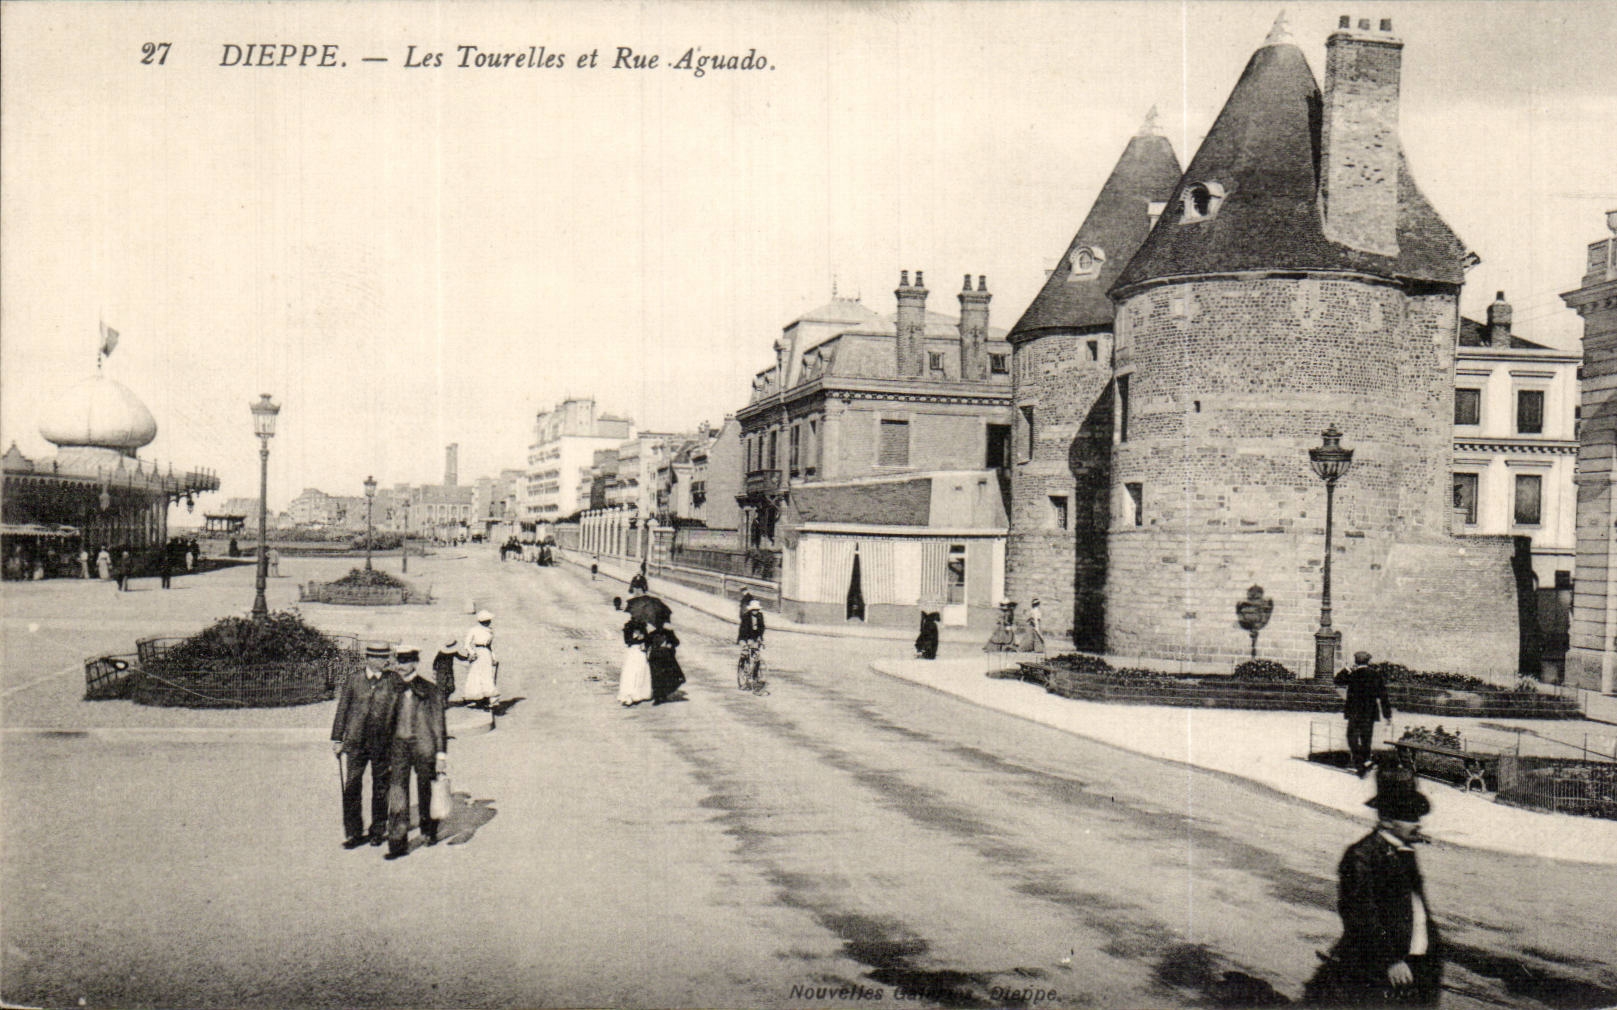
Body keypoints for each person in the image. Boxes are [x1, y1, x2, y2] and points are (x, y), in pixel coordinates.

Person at [1305, 766, 1442, 1007]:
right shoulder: (1362, 855)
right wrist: (1390, 960)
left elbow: (1416, 908)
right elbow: (1360, 914)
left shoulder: (1405, 852)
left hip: (1415, 966)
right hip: (1380, 969)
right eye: (1409, 817)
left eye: (1417, 816)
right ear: (1387, 820)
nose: (1417, 824)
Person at [331, 643, 401, 849]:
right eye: (379, 658)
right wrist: (337, 739)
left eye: (386, 658)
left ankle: (377, 830)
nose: (384, 662)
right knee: (352, 786)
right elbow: (342, 709)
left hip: (383, 744)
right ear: (369, 658)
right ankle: (353, 832)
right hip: (355, 742)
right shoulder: (354, 680)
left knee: (381, 788)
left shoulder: (393, 680)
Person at [384, 646, 448, 859]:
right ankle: (397, 843)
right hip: (399, 747)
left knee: (425, 790)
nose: (400, 666)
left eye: (405, 662)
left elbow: (439, 723)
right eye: (398, 662)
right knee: (397, 793)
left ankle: (429, 831)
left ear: (415, 663)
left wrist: (440, 755)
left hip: (424, 747)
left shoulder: (430, 689)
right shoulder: (391, 687)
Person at [1336, 651, 1393, 777]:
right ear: (1368, 661)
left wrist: (1346, 669)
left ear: (1356, 661)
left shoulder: (1353, 675)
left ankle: (1359, 762)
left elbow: (1337, 680)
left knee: (1352, 738)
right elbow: (1383, 696)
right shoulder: (1376, 675)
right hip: (1369, 713)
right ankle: (1366, 760)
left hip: (1354, 712)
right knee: (1366, 738)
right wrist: (1387, 715)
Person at [461, 611, 499, 712]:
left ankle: (488, 698)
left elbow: (491, 646)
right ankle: (474, 697)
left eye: (489, 620)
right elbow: (467, 644)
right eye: (486, 621)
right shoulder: (473, 630)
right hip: (478, 653)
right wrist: (472, 653)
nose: (488, 622)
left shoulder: (490, 631)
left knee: (487, 675)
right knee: (475, 675)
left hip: (486, 654)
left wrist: (494, 657)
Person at [647, 618, 685, 705]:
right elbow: (647, 644)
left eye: (660, 624)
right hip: (655, 658)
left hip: (666, 657)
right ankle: (657, 697)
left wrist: (670, 643)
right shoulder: (652, 634)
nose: (659, 626)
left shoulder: (668, 633)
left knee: (665, 676)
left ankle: (663, 694)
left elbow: (676, 642)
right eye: (657, 624)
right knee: (656, 677)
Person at [617, 617, 653, 706]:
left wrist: (644, 641)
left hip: (641, 652)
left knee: (641, 671)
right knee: (631, 672)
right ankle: (629, 694)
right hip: (633, 651)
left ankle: (640, 693)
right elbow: (627, 641)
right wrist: (638, 638)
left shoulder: (643, 627)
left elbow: (648, 640)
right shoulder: (628, 626)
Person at [739, 598, 767, 684]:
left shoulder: (760, 616)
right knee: (746, 652)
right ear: (751, 610)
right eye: (754, 610)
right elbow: (743, 630)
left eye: (757, 610)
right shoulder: (745, 617)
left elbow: (762, 627)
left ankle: (755, 676)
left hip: (755, 638)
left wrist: (760, 637)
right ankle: (743, 668)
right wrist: (747, 641)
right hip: (745, 637)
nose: (755, 611)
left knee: (757, 657)